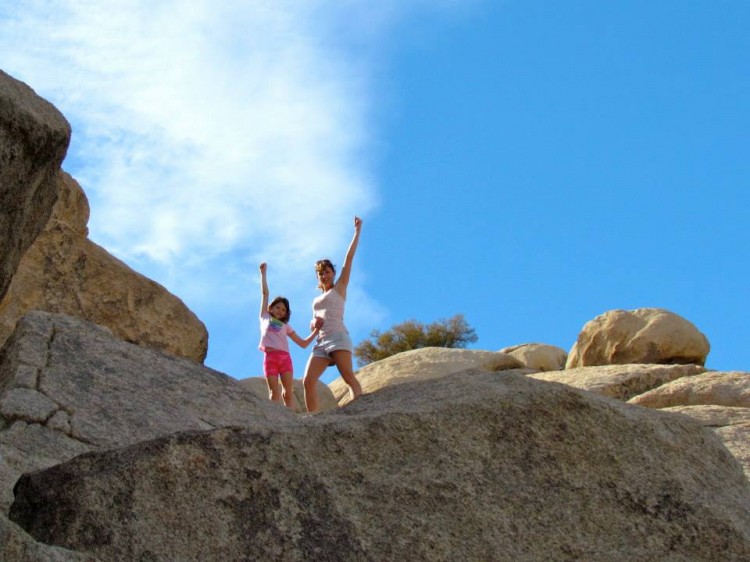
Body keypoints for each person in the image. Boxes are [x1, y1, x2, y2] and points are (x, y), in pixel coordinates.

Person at [303, 216, 364, 412]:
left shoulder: (339, 288)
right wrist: (313, 324)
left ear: (333, 273)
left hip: (338, 336)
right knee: (308, 381)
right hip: (321, 342)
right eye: (321, 273)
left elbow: (348, 259)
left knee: (348, 376)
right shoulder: (316, 300)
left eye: (327, 271)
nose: (324, 275)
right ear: (317, 277)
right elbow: (315, 320)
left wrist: (356, 232)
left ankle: (361, 410)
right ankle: (313, 419)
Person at [258, 262, 321, 410]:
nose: (280, 310)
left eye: (283, 309)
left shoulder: (286, 326)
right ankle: (276, 420)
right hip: (270, 359)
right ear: (270, 308)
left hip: (285, 359)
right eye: (277, 307)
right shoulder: (264, 317)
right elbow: (265, 293)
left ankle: (291, 420)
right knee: (274, 393)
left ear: (286, 313)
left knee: (288, 394)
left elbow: (303, 343)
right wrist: (263, 274)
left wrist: (316, 331)